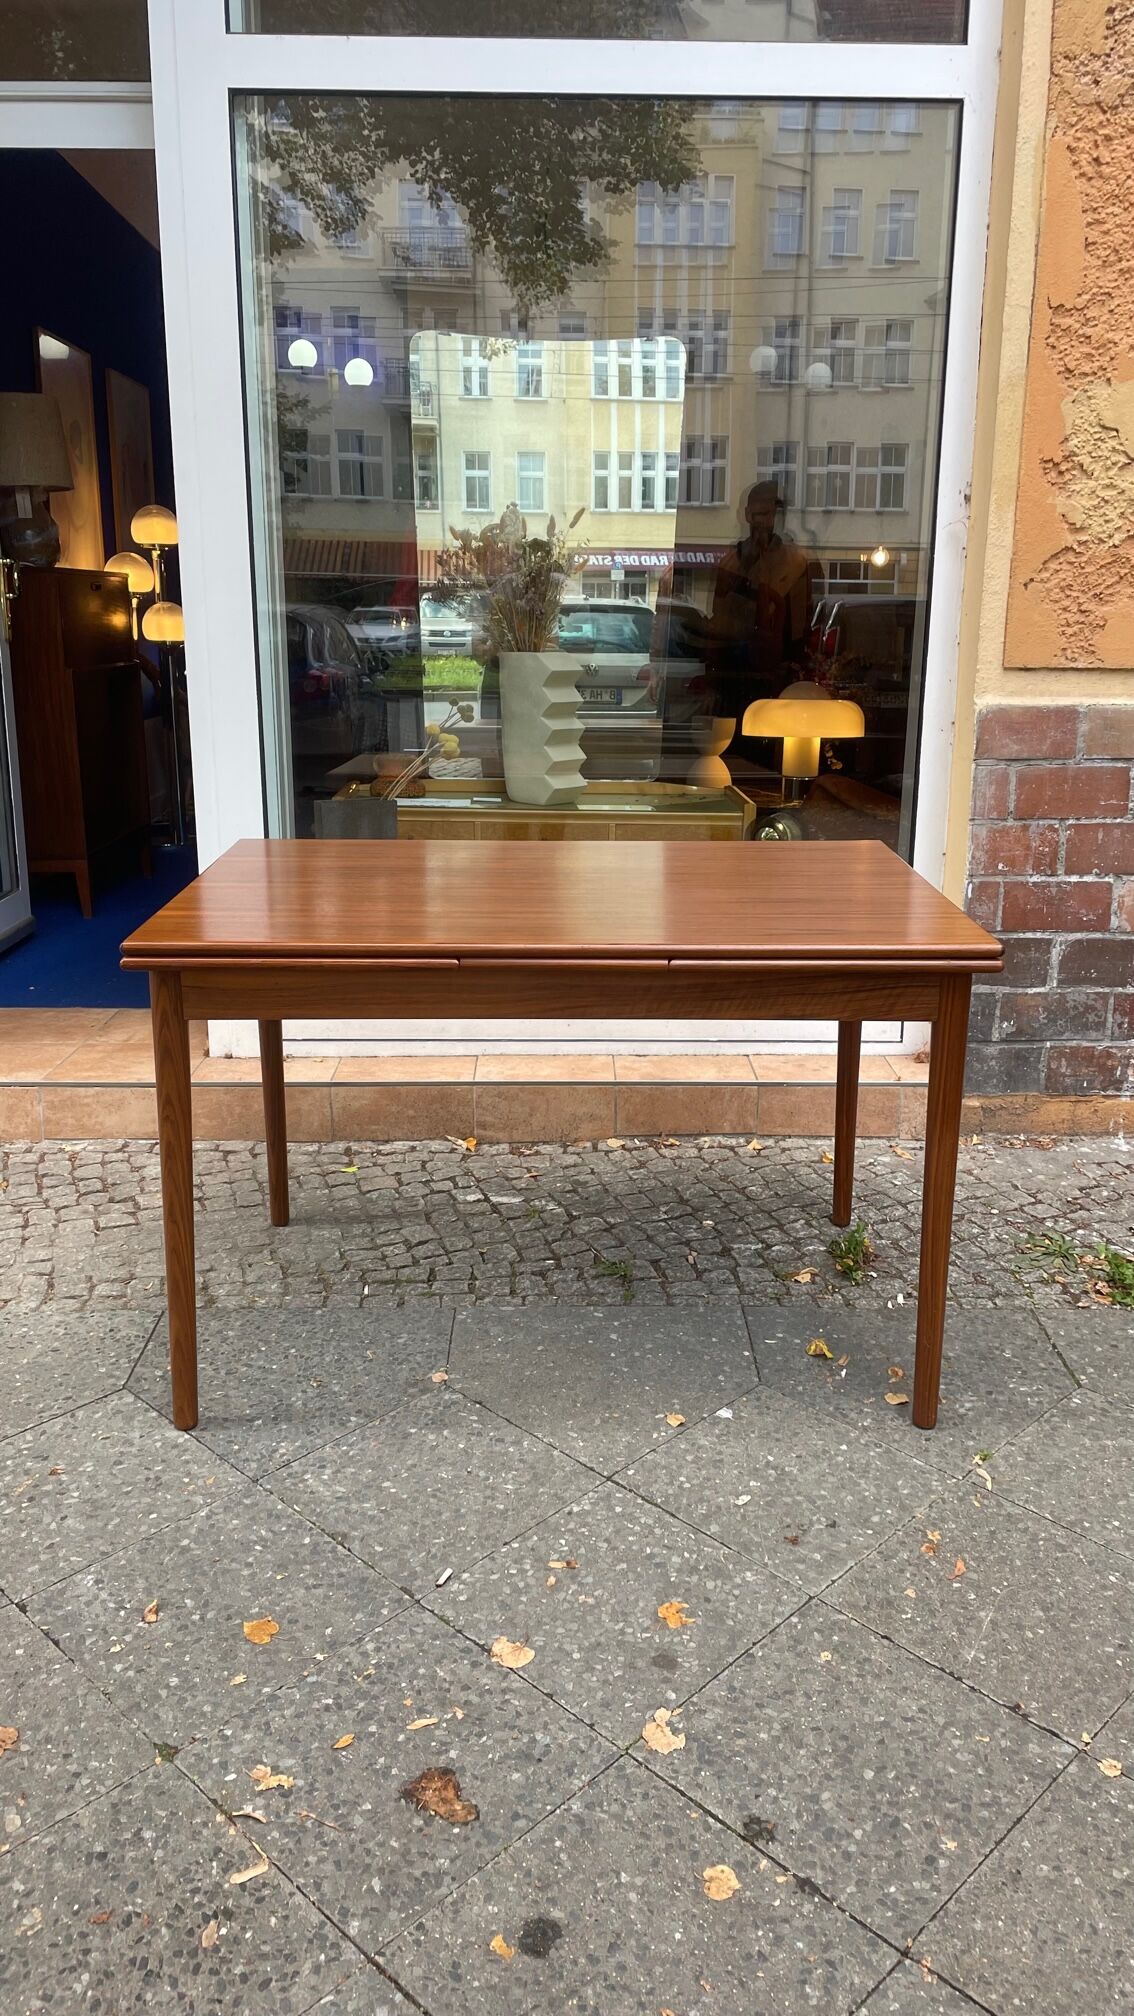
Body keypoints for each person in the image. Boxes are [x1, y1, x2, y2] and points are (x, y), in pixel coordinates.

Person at [708, 479, 820, 757]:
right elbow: (719, 619)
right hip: (735, 676)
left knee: (773, 752)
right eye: (759, 514)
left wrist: (793, 667)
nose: (765, 522)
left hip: (775, 674)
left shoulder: (796, 563)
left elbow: (800, 626)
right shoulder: (730, 563)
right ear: (747, 515)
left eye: (771, 514)